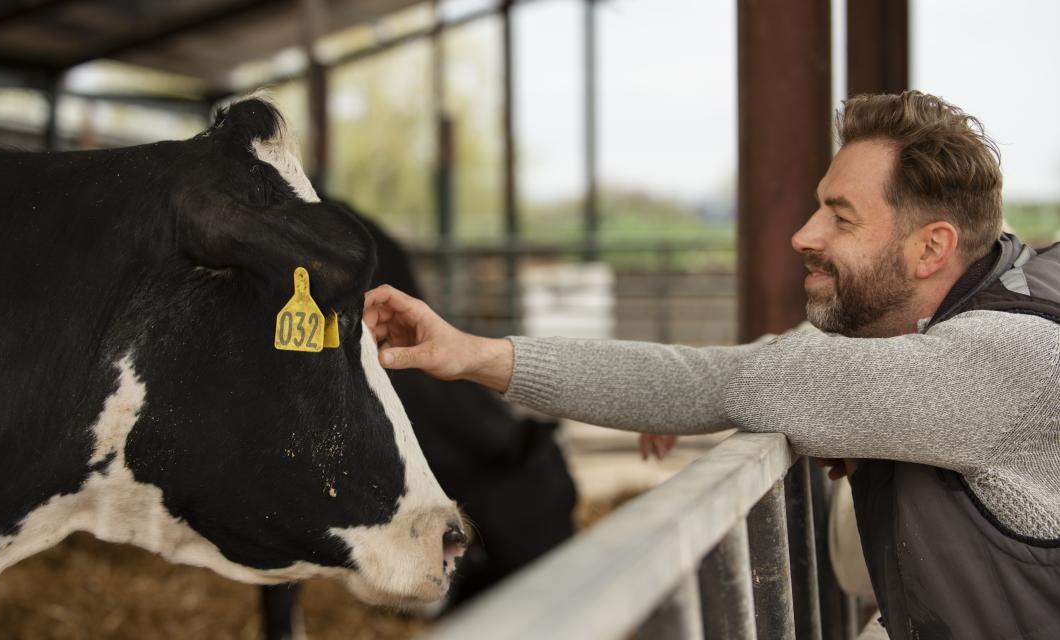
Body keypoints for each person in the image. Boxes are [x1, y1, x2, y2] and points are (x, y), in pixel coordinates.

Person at [363, 91, 1060, 640]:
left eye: (840, 218)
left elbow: (724, 383)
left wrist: (470, 354)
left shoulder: (990, 362)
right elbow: (774, 370)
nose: (802, 235)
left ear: (931, 250)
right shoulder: (985, 308)